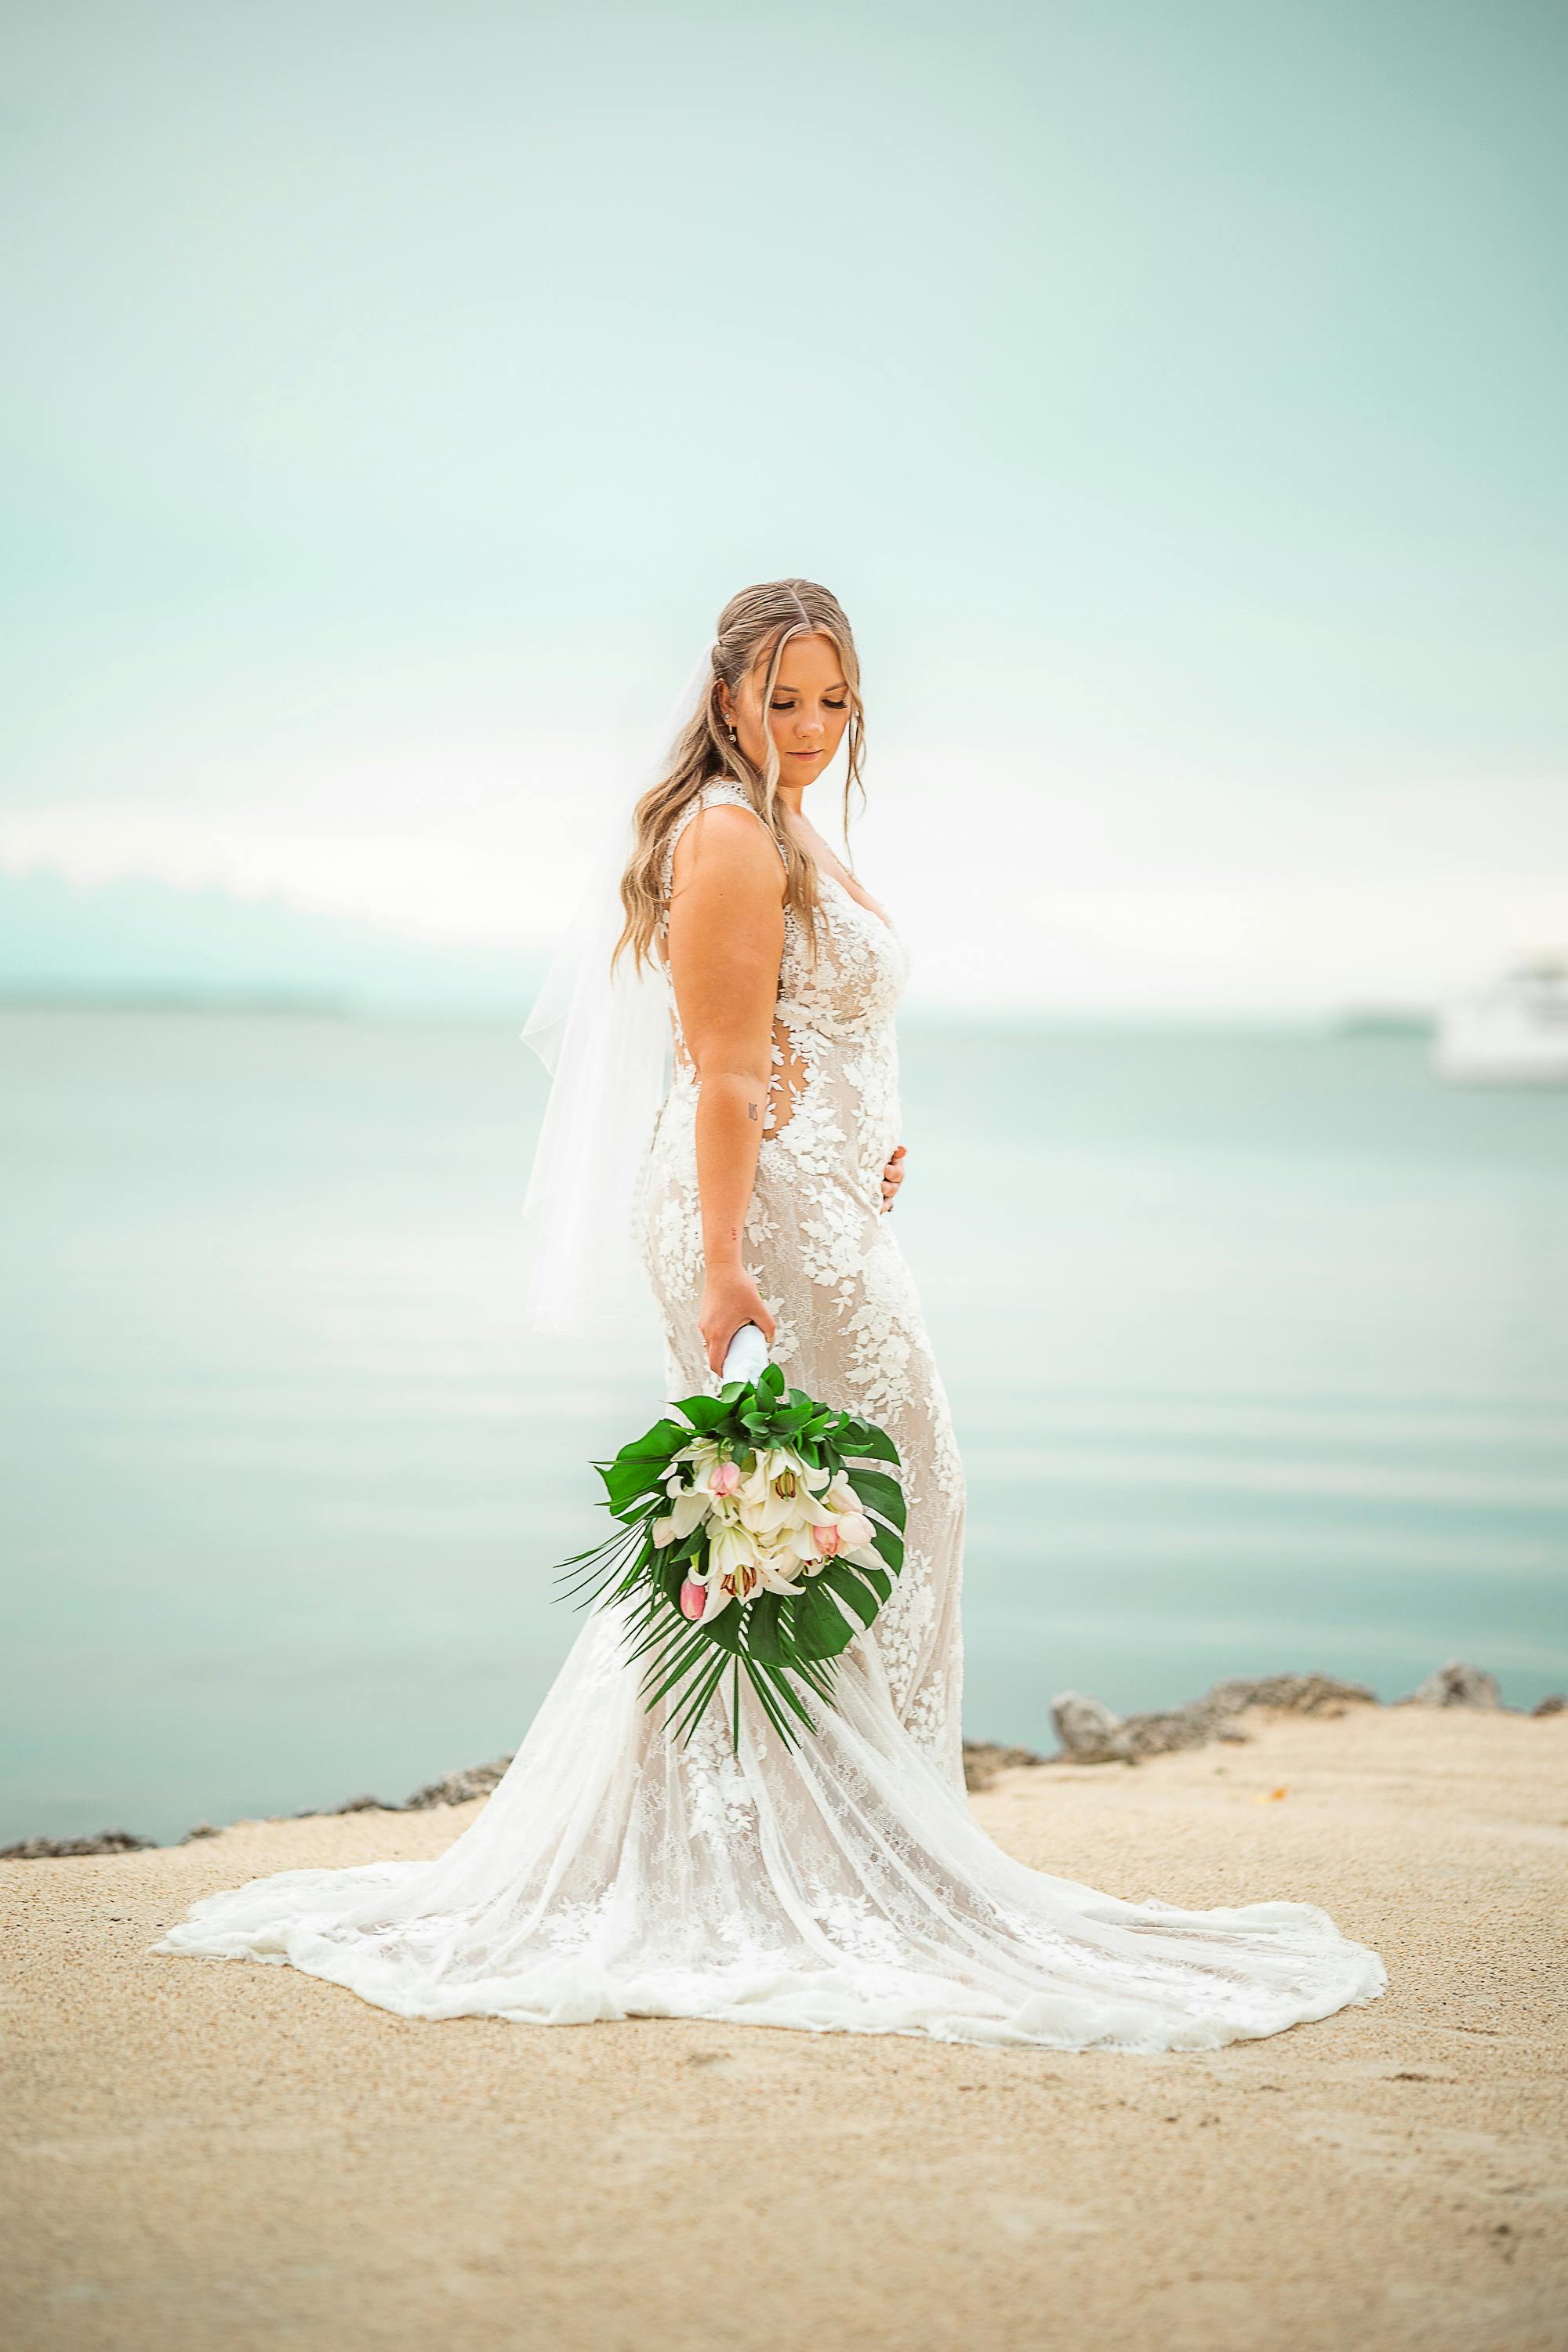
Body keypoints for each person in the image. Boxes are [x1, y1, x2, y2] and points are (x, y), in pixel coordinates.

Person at [152, 579, 1388, 2048]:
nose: (810, 726)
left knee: (848, 1520)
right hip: (765, 1230)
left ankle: (820, 1842)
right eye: (785, 696)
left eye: (836, 699)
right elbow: (724, 1071)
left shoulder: (790, 826)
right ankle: (794, 1860)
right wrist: (733, 1256)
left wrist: (865, 1132)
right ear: (728, 692)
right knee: (845, 1514)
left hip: (827, 1206)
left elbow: (806, 1033)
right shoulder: (730, 835)